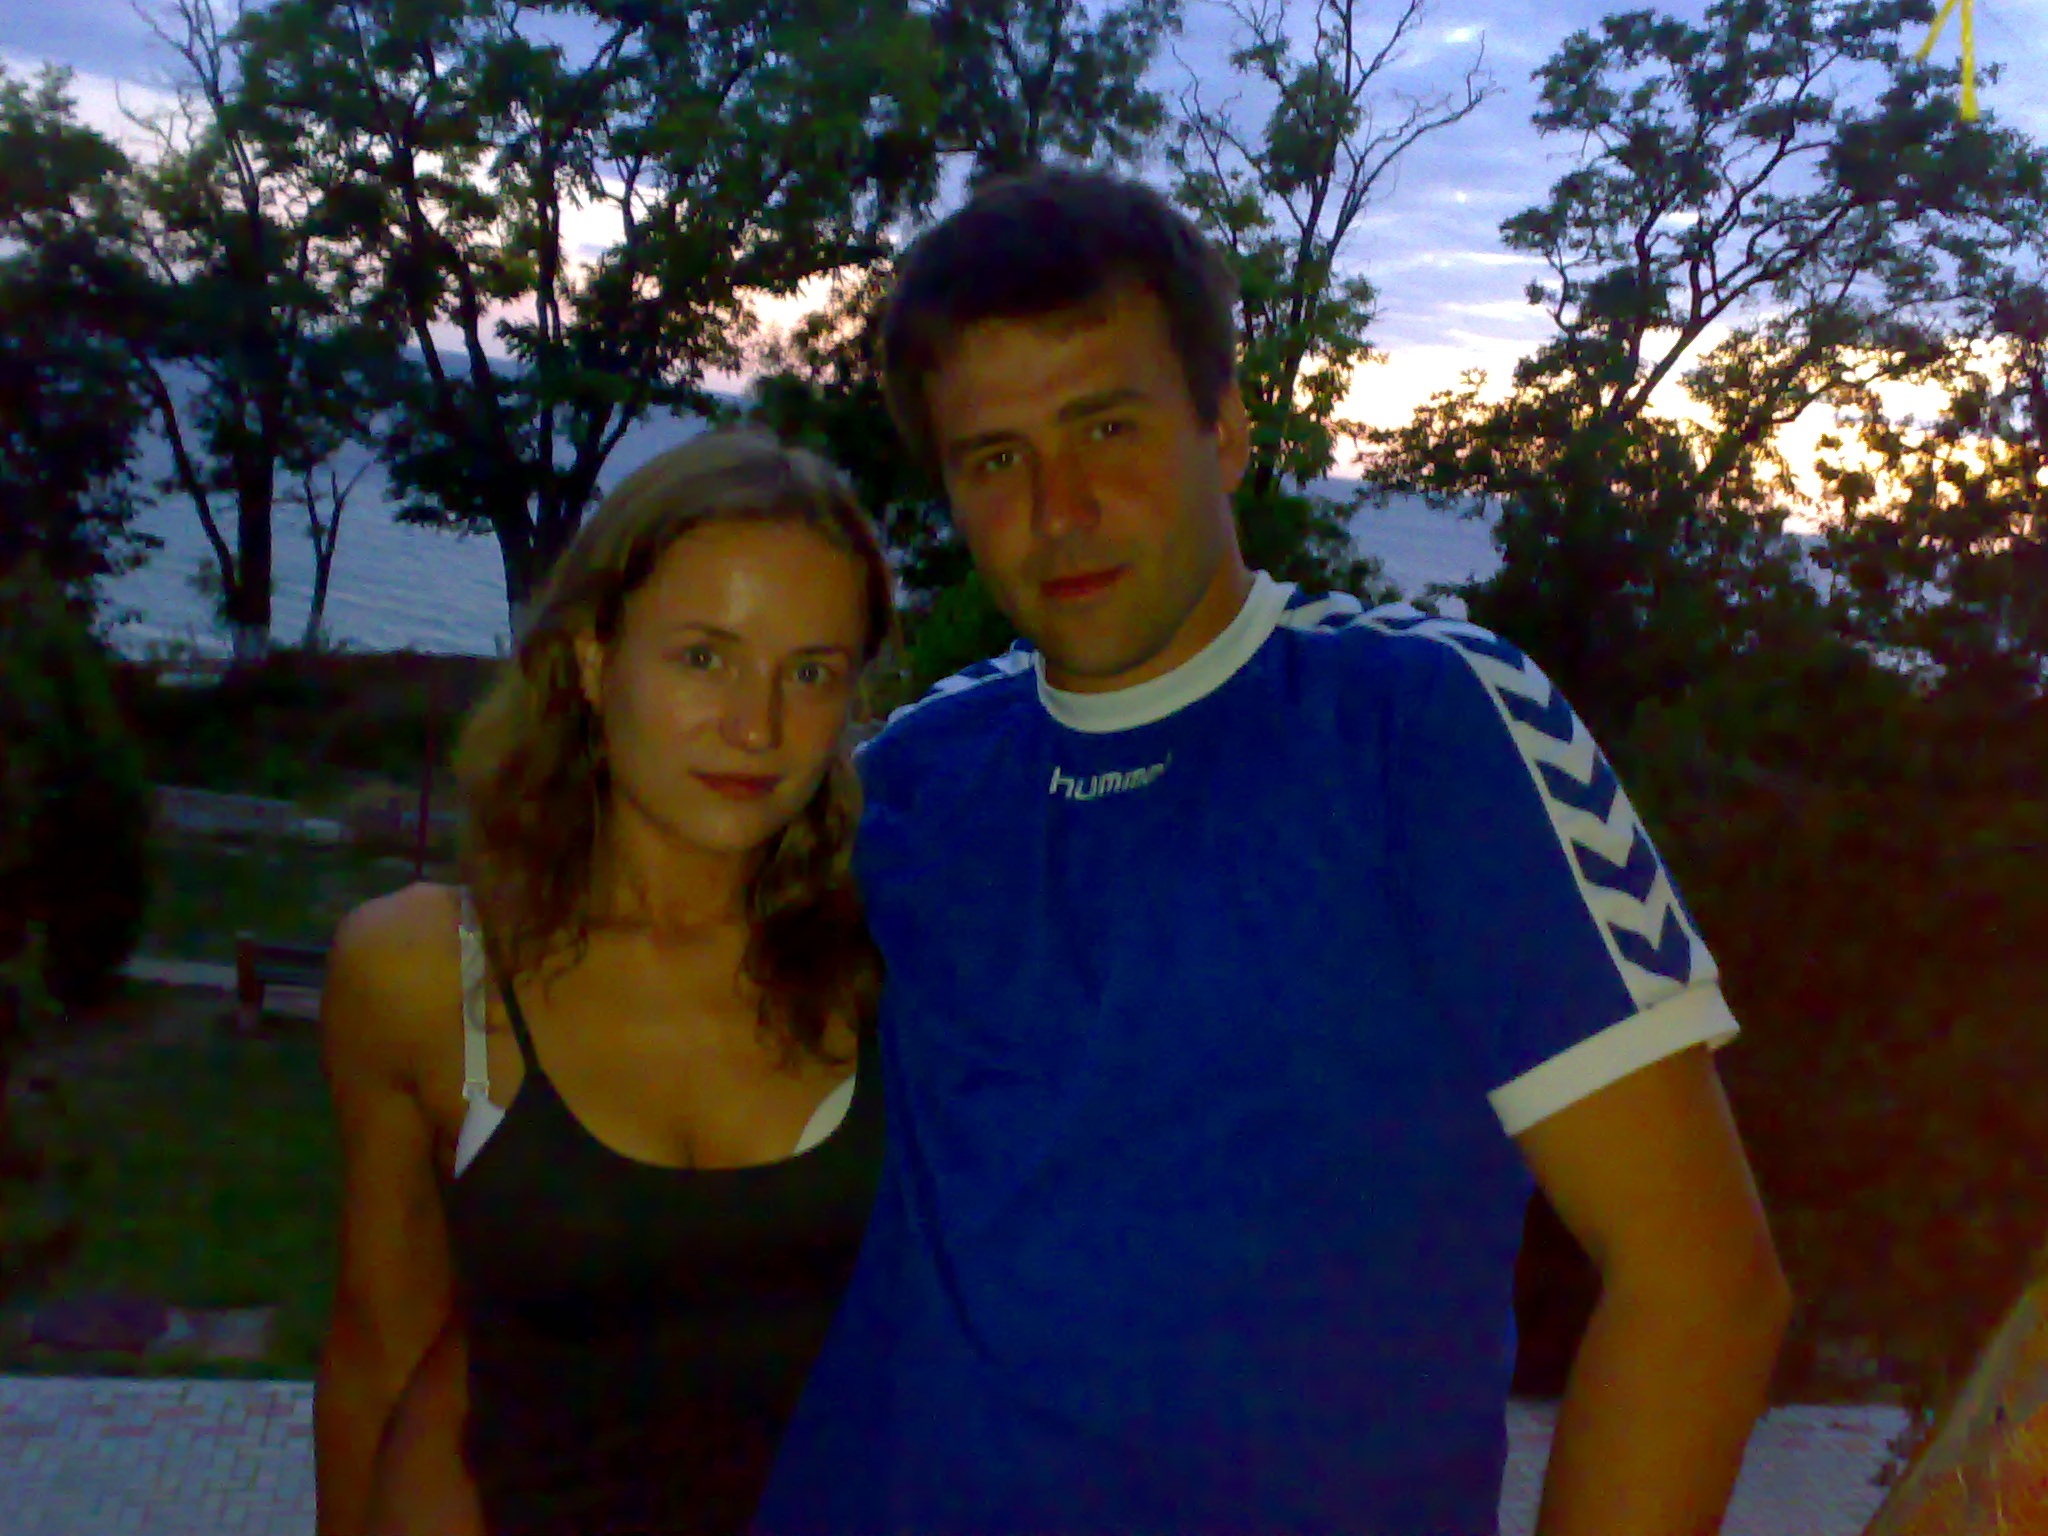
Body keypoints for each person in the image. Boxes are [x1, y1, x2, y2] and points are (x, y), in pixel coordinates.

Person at [749, 167, 1794, 1535]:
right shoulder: (907, 780)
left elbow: (1699, 1283)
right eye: (994, 458)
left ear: (1227, 430)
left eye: (1106, 426)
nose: (1059, 506)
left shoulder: (1416, 728)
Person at [311, 428, 894, 1536]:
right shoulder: (425, 976)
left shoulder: (897, 963)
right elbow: (380, 1357)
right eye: (704, 658)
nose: (757, 725)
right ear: (592, 661)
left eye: (810, 673)